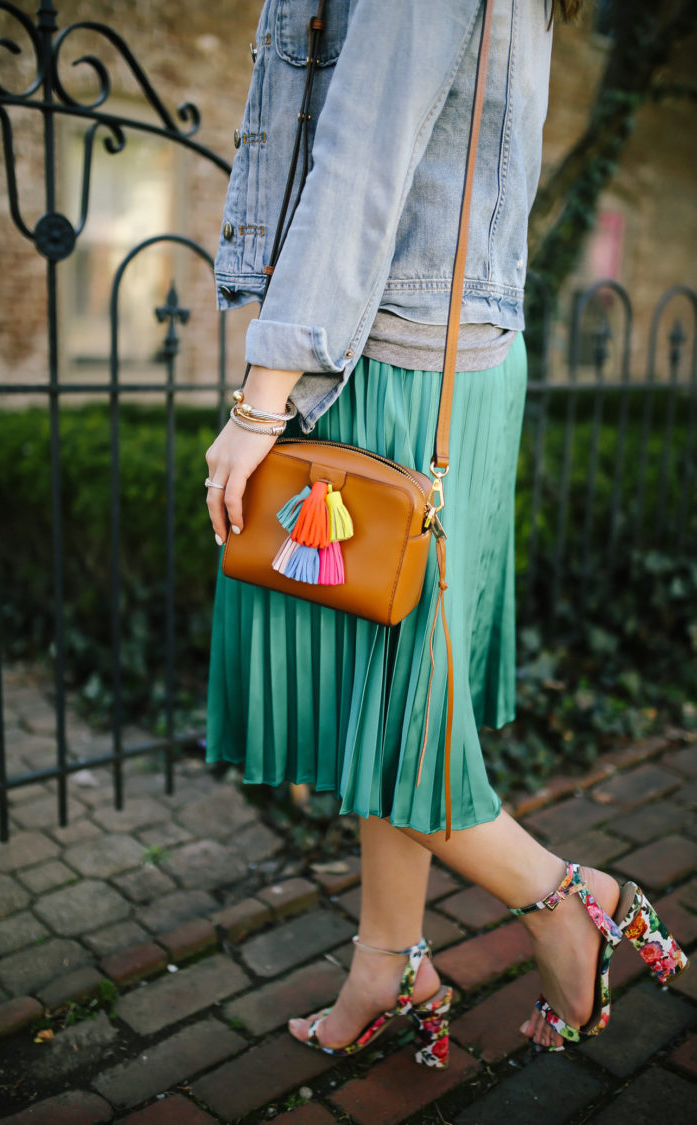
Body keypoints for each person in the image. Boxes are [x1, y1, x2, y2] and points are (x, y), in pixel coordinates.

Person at [204, 0, 687, 1060]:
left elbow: (365, 159)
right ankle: (389, 959)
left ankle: (567, 899)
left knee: (377, 704)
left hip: (397, 374)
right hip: (440, 357)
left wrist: (258, 405)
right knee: (399, 702)